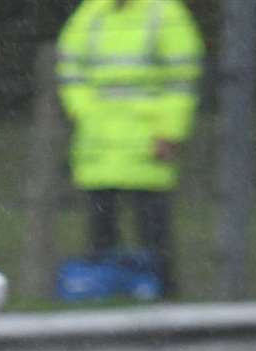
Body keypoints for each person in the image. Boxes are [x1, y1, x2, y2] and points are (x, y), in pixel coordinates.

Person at [56, 0, 205, 296]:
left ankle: (160, 296)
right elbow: (70, 67)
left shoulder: (165, 13)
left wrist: (170, 130)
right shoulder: (92, 13)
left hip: (146, 142)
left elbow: (182, 81)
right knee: (100, 232)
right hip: (100, 145)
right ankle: (106, 296)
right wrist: (84, 112)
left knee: (153, 232)